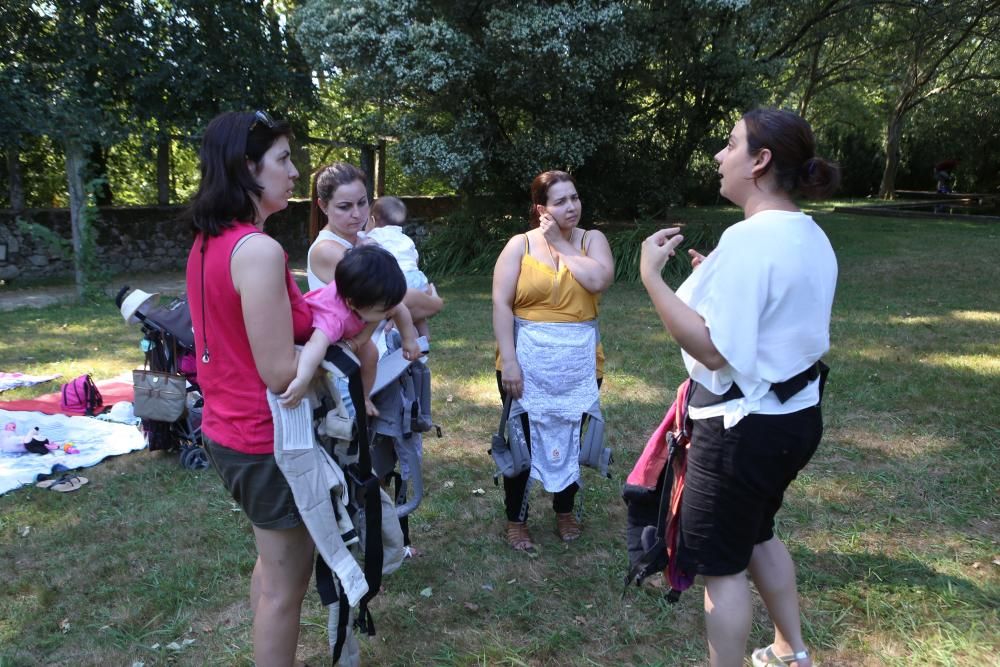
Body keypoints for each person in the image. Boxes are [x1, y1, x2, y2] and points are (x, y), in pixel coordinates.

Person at [639, 108, 839, 667]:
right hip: (793, 419)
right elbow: (773, 313)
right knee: (757, 534)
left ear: (760, 160)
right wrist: (715, 275)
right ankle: (789, 650)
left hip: (740, 430)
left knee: (722, 568)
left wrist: (651, 277)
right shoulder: (809, 233)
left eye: (730, 145)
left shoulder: (751, 240)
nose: (720, 157)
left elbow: (710, 349)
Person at [185, 110, 313, 666]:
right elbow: (281, 373)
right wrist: (334, 338)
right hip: (264, 440)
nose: (294, 171)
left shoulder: (209, 243)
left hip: (228, 432)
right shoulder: (257, 251)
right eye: (283, 159)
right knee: (288, 591)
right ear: (247, 168)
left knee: (271, 566)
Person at [492, 170, 614, 550]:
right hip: (525, 361)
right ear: (540, 208)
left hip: (579, 362)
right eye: (560, 201)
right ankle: (517, 519)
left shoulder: (592, 240)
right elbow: (500, 302)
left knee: (573, 438)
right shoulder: (520, 246)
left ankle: (565, 511)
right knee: (522, 440)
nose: (571, 207)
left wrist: (560, 243)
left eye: (574, 198)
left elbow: (597, 281)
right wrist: (509, 360)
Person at [280, 245, 421, 416]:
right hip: (313, 335)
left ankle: (363, 396)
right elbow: (315, 345)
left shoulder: (377, 299)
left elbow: (399, 309)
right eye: (382, 311)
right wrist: (302, 379)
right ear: (352, 303)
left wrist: (409, 341)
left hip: (349, 332)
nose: (388, 313)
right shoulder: (334, 318)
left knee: (371, 354)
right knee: (320, 353)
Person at [306, 163, 443, 325]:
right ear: (323, 206)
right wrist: (435, 302)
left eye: (362, 203)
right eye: (345, 207)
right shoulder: (326, 250)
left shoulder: (366, 239)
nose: (357, 214)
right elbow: (391, 297)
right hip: (357, 349)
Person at [366, 196, 433, 339]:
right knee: (418, 315)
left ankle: (397, 332)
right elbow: (415, 258)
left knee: (398, 312)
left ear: (372, 220)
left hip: (399, 281)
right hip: (418, 279)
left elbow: (367, 248)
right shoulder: (404, 237)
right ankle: (425, 337)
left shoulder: (376, 234)